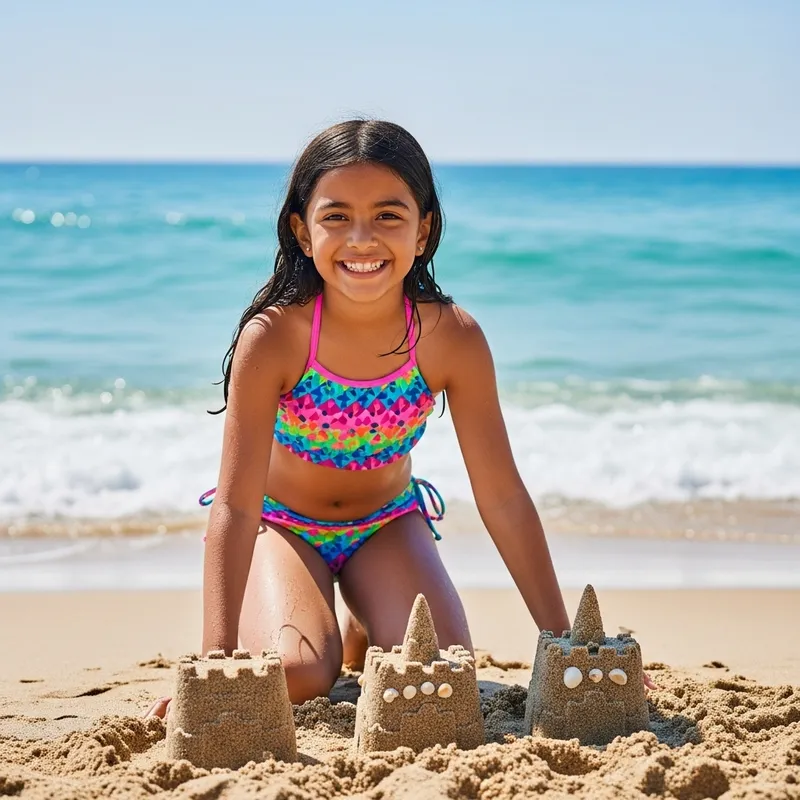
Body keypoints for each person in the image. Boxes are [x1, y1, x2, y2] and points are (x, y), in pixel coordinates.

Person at [147, 119, 647, 719]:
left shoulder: (449, 338)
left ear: (424, 229)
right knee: (305, 672)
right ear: (302, 232)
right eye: (335, 217)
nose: (362, 239)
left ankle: (364, 613)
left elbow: (503, 497)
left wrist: (566, 645)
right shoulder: (275, 338)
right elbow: (234, 505)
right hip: (280, 526)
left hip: (386, 524)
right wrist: (216, 663)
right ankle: (322, 619)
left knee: (441, 669)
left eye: (388, 215)